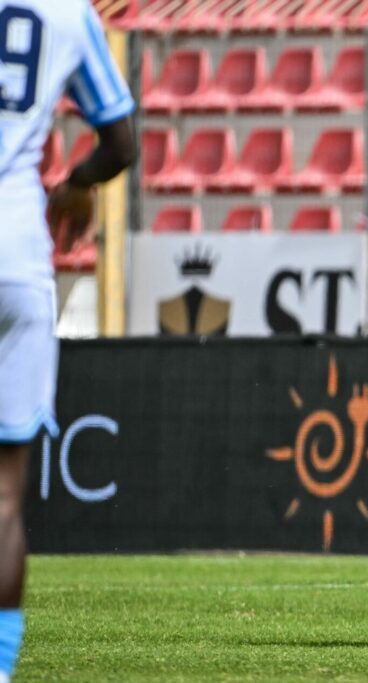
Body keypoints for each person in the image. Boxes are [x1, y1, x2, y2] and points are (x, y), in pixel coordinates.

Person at [0, 2, 136, 680]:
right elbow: (121, 144)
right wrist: (78, 184)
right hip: (15, 257)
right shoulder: (63, 10)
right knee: (3, 497)